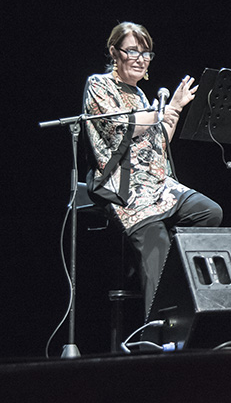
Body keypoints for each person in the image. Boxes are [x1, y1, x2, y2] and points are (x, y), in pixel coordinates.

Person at [83, 21, 223, 318]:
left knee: (210, 212)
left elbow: (159, 141)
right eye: (132, 51)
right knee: (155, 247)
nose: (139, 59)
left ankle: (172, 270)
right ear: (114, 52)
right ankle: (155, 336)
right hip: (125, 187)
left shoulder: (142, 97)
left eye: (145, 54)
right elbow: (120, 128)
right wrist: (162, 110)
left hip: (159, 185)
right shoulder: (99, 85)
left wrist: (174, 108)